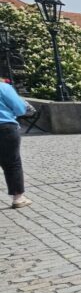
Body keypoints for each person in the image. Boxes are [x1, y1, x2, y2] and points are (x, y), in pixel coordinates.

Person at [0, 79, 31, 208]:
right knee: (12, 163)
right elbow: (20, 109)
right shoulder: (3, 87)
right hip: (5, 128)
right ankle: (18, 197)